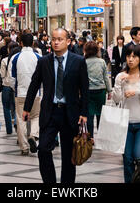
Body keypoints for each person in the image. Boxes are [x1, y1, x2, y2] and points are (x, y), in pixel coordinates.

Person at [23, 27, 89, 184]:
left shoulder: (78, 61)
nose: (56, 42)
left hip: (70, 113)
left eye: (60, 39)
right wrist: (27, 107)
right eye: (54, 39)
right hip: (50, 112)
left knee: (68, 156)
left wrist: (84, 113)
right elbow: (34, 85)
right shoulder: (44, 61)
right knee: (43, 150)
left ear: (68, 41)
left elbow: (85, 89)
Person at [112, 43, 140, 183]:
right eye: (128, 56)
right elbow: (116, 99)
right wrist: (118, 83)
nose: (130, 59)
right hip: (125, 123)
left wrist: (137, 92)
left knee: (138, 156)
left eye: (134, 56)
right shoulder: (121, 76)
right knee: (127, 159)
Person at [11, 32, 41, 155]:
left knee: (21, 119)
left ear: (21, 43)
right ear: (33, 43)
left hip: (20, 93)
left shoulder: (15, 58)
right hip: (36, 94)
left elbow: (11, 78)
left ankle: (24, 147)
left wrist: (15, 89)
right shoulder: (38, 57)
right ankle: (33, 135)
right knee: (36, 116)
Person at [84, 41, 112, 140]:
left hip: (88, 91)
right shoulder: (102, 62)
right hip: (101, 91)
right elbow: (106, 77)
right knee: (100, 113)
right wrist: (110, 91)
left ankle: (90, 137)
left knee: (90, 114)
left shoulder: (84, 62)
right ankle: (101, 136)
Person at [0, 41, 20, 134]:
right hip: (17, 86)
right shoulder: (20, 59)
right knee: (17, 106)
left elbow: (2, 75)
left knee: (6, 107)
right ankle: (16, 121)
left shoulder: (5, 60)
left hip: (7, 85)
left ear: (9, 49)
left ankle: (9, 129)